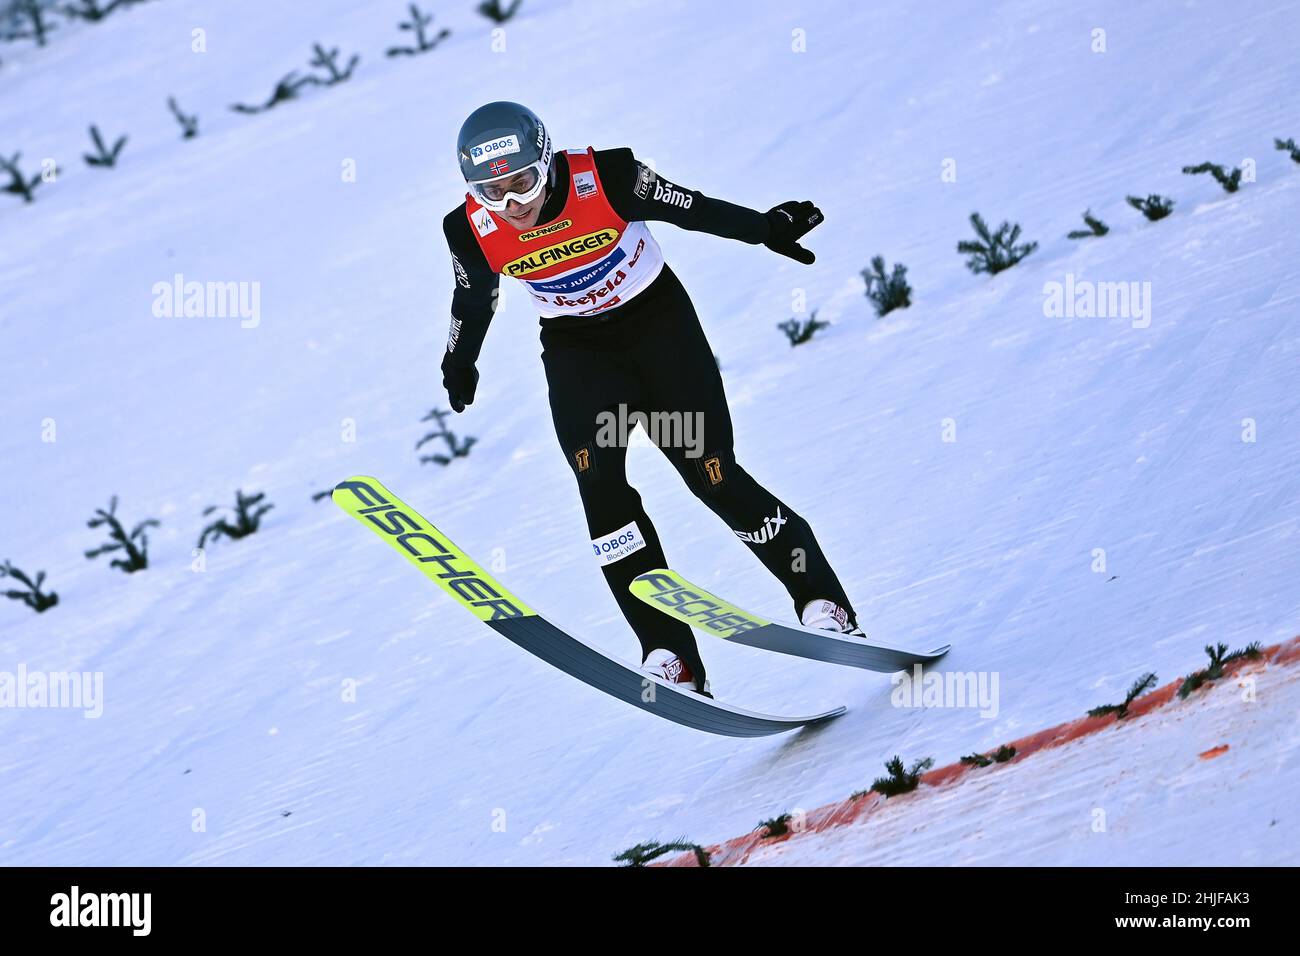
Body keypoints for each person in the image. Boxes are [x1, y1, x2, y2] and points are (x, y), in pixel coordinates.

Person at [440, 101, 860, 696]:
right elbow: (473, 298)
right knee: (602, 492)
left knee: (712, 476)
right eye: (493, 193)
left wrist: (767, 229)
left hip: (659, 334)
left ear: (548, 160)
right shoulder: (469, 229)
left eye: (524, 183)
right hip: (579, 355)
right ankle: (669, 653)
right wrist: (459, 360)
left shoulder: (605, 177)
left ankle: (822, 601)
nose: (514, 207)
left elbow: (693, 209)